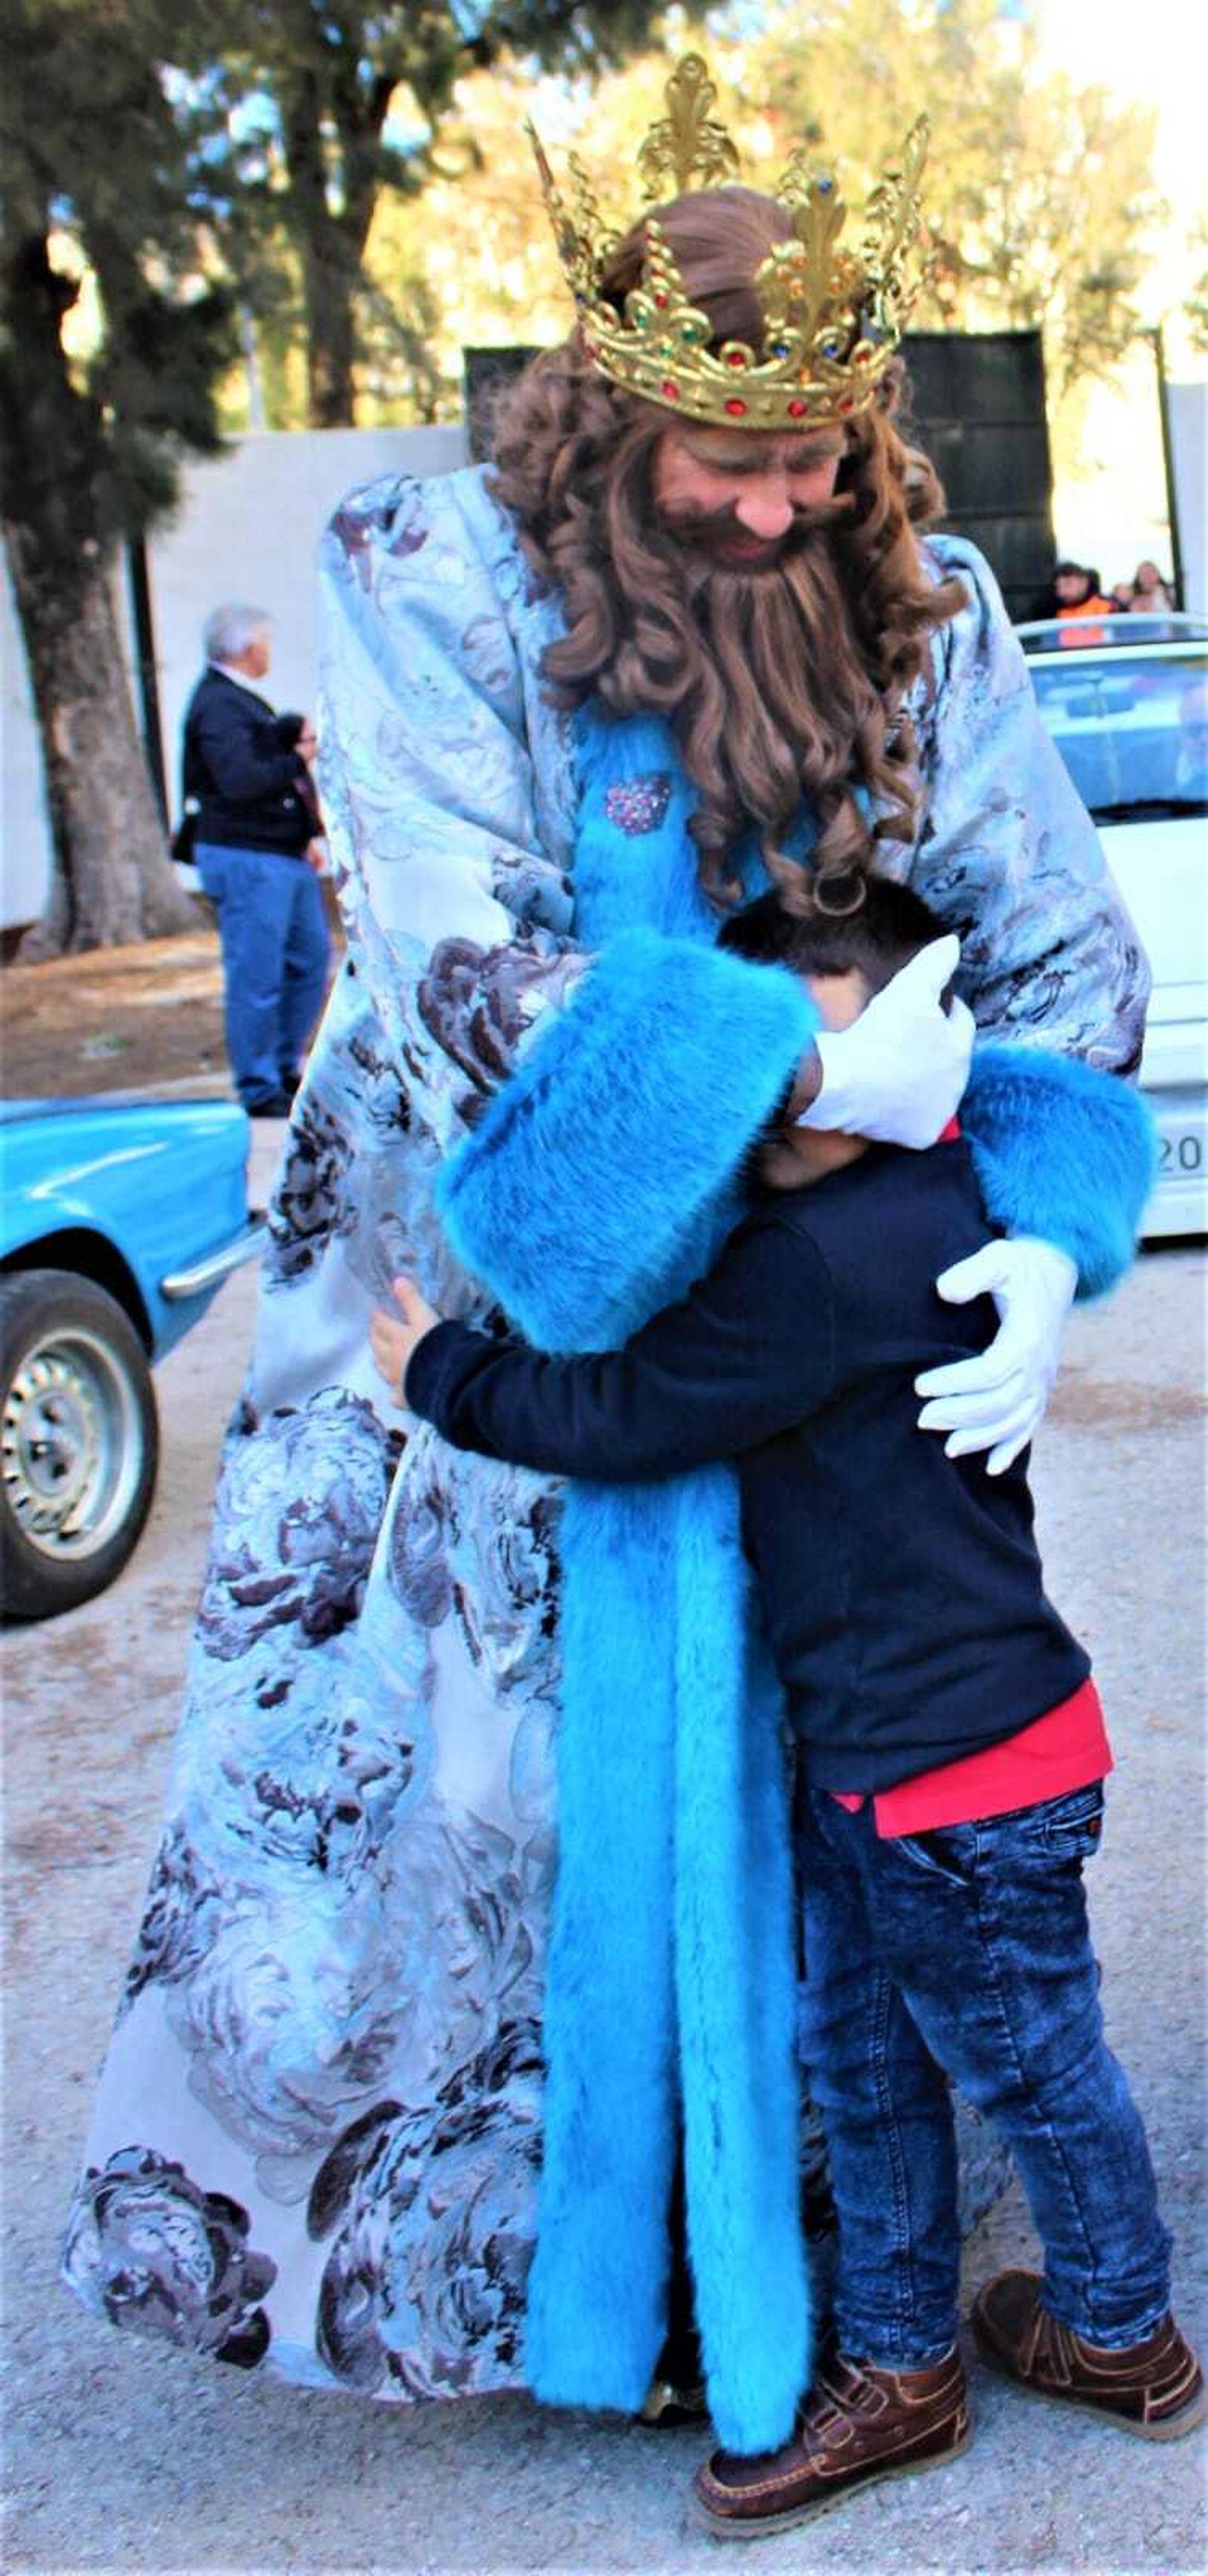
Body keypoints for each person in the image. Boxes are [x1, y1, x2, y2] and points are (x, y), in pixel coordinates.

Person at [63, 55, 1153, 2457]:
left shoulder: (923, 606)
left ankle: (835, 2264)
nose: (772, 508)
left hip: (835, 1316)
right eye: (720, 462)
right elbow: (467, 957)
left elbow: (1062, 965)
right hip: (495, 1260)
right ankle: (549, 2264)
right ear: (606, 417)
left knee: (844, 1762)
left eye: (812, 461)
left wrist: (1043, 1235)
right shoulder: (424, 566)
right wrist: (793, 1074)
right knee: (484, 1779)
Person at [369, 878, 1200, 2530]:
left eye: (819, 1058)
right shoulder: (934, 1191)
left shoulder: (813, 1262)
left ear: (907, 1052)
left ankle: (1124, 2330)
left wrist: (437, 1376)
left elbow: (628, 1409)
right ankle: (901, 2358)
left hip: (949, 1770)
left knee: (1023, 2059)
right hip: (925, 1748)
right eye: (762, 1060)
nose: (779, 1097)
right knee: (870, 2048)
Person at [183, 603, 330, 1116]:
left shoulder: (242, 703)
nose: (268, 651)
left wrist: (304, 834)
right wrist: (299, 758)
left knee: (310, 962)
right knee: (258, 973)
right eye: (264, 642)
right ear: (246, 648)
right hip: (247, 859)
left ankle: (287, 1066)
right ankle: (258, 1084)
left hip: (282, 855)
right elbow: (241, 780)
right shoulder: (220, 707)